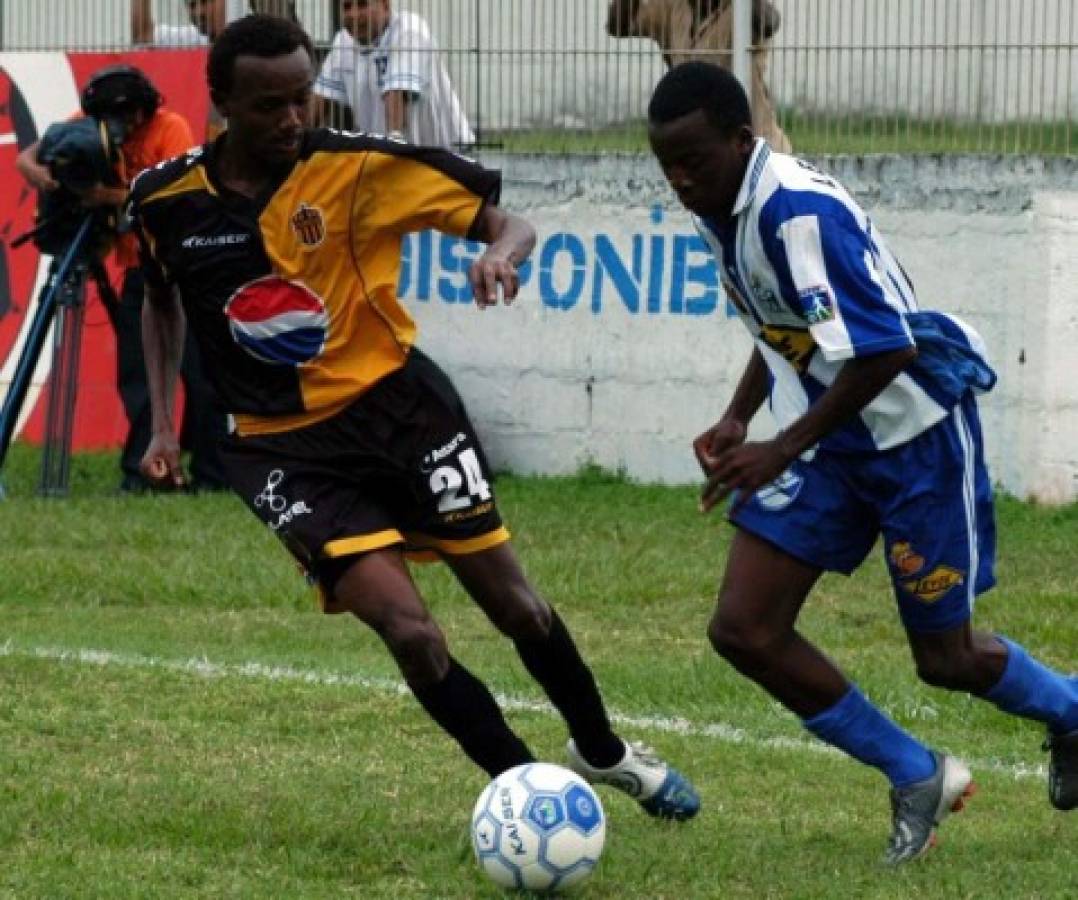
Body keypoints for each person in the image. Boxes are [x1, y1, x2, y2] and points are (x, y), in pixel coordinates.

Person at [129, 14, 700, 819]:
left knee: (517, 608)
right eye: (269, 106)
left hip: (400, 414)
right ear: (220, 101)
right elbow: (158, 300)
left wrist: (501, 254)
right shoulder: (165, 201)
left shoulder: (359, 166)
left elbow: (510, 220)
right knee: (413, 635)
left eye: (302, 99)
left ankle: (603, 751)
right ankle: (527, 795)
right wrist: (162, 425)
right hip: (278, 449)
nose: (294, 120)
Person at [646, 62, 1077, 864]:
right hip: (834, 442)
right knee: (744, 628)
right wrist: (741, 416)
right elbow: (783, 323)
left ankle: (1073, 709)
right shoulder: (721, 200)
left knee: (946, 660)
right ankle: (915, 773)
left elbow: (886, 349)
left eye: (692, 163)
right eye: (665, 166)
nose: (678, 181)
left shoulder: (798, 214)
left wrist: (779, 444)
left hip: (914, 441)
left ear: (743, 142)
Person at [15, 65, 226, 493]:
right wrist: (41, 173)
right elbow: (29, 155)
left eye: (129, 116)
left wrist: (103, 196)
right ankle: (143, 472)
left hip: (183, 263)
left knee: (199, 375)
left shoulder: (171, 129)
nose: (122, 126)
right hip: (136, 266)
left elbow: (175, 193)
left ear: (145, 109)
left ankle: (212, 476)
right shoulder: (94, 126)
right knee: (138, 375)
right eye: (113, 117)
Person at [607, 0, 791, 152]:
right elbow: (618, 26)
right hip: (702, 152)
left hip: (758, 147)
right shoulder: (673, 7)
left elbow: (769, 22)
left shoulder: (741, 9)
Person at [315, 0, 474, 148]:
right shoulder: (343, 42)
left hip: (447, 152)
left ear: (385, 5)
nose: (353, 14)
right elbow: (320, 98)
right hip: (394, 154)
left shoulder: (410, 30)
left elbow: (396, 92)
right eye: (347, 7)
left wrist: (393, 139)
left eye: (362, 4)